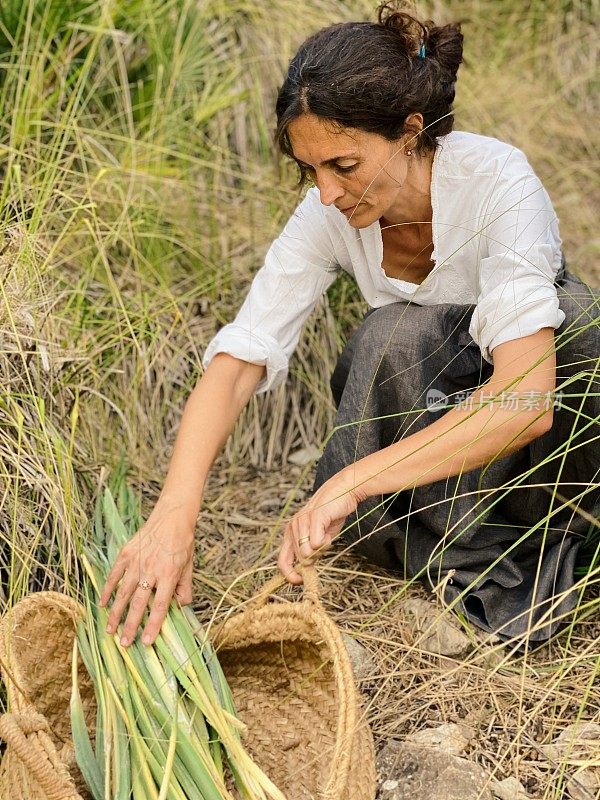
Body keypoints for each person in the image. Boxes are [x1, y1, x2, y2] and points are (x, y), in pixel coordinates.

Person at [99, 1, 599, 647]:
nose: (327, 194)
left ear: (411, 131)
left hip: (512, 449)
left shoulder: (497, 180)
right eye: (309, 170)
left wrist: (349, 480)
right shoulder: (325, 213)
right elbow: (240, 360)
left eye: (345, 165)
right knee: (394, 335)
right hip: (419, 443)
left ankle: (541, 536)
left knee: (581, 320)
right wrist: (173, 518)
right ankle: (426, 539)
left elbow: (525, 401)